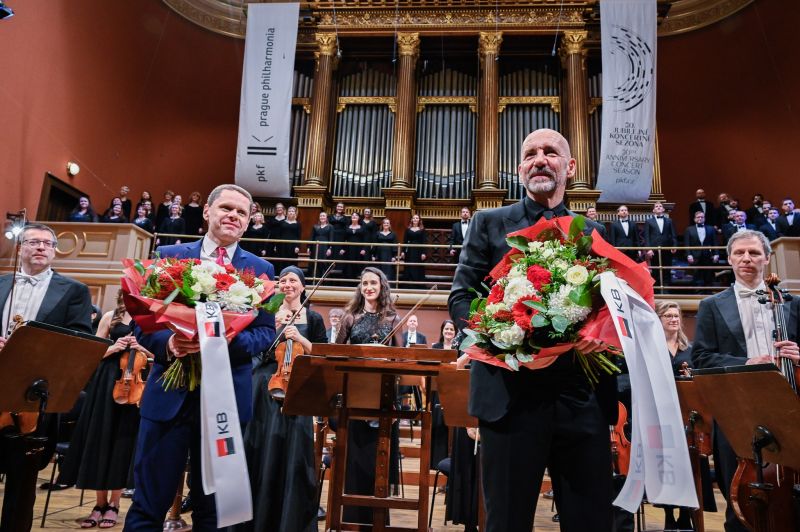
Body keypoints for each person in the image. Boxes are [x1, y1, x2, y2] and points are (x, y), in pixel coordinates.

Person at [448, 128, 615, 532]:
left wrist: (603, 332)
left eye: (551, 153)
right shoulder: (489, 223)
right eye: (530, 154)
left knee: (590, 520)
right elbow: (460, 298)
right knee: (506, 521)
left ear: (570, 167)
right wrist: (498, 335)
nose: (540, 159)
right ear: (520, 168)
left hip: (579, 395)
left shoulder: (595, 232)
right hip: (510, 395)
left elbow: (612, 308)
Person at [123, 184, 277, 530]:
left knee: (214, 512)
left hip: (226, 404)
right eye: (225, 208)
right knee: (148, 503)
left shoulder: (261, 267)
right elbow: (142, 320)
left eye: (241, 212)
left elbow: (265, 333)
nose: (233, 216)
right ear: (207, 211)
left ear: (249, 221)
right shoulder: (171, 254)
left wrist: (219, 342)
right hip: (168, 397)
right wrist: (169, 345)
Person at [692, 229, 800, 532]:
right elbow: (701, 358)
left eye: (754, 253)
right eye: (739, 253)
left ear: (766, 258)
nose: (746, 258)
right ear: (729, 259)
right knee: (739, 497)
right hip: (736, 412)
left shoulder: (792, 303)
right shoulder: (712, 305)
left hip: (788, 406)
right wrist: (747, 362)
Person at [0, 223, 93, 531]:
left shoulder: (74, 291)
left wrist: (31, 348)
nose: (40, 247)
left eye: (47, 244)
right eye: (32, 242)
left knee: (23, 478)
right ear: (20, 248)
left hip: (34, 395)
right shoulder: (1, 283)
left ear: (54, 251)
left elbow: (79, 340)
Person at [236, 266, 326, 532]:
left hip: (298, 390)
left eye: (293, 281)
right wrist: (273, 328)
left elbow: (321, 354)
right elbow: (253, 350)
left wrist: (300, 338)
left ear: (303, 287)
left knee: (293, 451)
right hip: (264, 388)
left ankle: (289, 518)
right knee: (260, 448)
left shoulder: (314, 317)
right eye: (283, 280)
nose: (288, 284)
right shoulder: (267, 312)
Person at [61, 291, 152, 529]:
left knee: (122, 443)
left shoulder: (150, 320)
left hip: (134, 387)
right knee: (100, 438)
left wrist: (140, 345)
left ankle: (114, 504)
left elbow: (159, 355)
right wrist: (114, 346)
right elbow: (92, 353)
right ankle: (98, 504)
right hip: (106, 383)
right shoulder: (110, 317)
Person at [334, 267, 402, 525]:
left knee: (378, 461)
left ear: (382, 286)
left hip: (383, 399)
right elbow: (338, 352)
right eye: (364, 283)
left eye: (373, 283)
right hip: (355, 396)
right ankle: (352, 520)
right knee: (355, 459)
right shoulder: (350, 317)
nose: (368, 287)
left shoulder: (393, 319)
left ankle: (376, 521)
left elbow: (401, 359)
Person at [642, 202, 677, 291]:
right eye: (656, 206)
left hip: (666, 248)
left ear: (663, 209)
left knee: (667, 269)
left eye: (660, 206)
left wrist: (674, 246)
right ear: (653, 210)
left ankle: (666, 290)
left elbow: (673, 234)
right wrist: (649, 249)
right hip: (654, 250)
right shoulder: (649, 221)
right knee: (656, 270)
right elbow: (647, 236)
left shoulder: (669, 221)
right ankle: (656, 290)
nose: (658, 207)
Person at [684, 210, 719, 289]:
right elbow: (687, 244)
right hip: (695, 256)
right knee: (696, 275)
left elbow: (715, 242)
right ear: (694, 219)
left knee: (708, 275)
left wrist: (716, 254)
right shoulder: (689, 229)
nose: (700, 218)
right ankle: (697, 293)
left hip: (708, 255)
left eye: (702, 217)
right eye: (698, 217)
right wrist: (689, 255)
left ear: (704, 218)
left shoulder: (711, 229)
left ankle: (708, 293)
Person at [401, 214, 427, 288]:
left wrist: (423, 253)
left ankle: (418, 285)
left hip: (419, 250)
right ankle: (408, 284)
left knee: (417, 266)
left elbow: (424, 241)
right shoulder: (408, 229)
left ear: (419, 220)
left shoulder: (422, 230)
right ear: (412, 220)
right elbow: (405, 241)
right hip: (410, 250)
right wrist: (403, 251)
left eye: (417, 218)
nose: (415, 219)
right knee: (409, 265)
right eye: (414, 218)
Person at [342, 212, 367, 282]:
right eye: (352, 215)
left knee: (357, 265)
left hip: (359, 249)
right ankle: (348, 282)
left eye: (356, 215)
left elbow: (365, 239)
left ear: (359, 218)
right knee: (348, 265)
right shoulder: (347, 227)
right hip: (348, 249)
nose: (354, 216)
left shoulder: (362, 227)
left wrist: (364, 249)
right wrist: (343, 248)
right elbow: (344, 239)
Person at [309, 211, 334, 279]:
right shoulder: (315, 226)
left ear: (326, 218)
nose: (322, 217)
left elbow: (331, 238)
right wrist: (309, 247)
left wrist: (330, 248)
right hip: (315, 247)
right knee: (315, 263)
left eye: (323, 216)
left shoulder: (330, 227)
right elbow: (312, 237)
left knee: (323, 263)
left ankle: (323, 281)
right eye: (321, 216)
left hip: (325, 246)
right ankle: (314, 279)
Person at [372, 218, 398, 282]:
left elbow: (395, 245)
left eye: (387, 223)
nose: (386, 224)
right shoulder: (377, 233)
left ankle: (389, 284)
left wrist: (394, 256)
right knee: (379, 269)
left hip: (389, 254)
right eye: (384, 223)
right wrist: (373, 255)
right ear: (382, 224)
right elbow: (375, 244)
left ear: (389, 225)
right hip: (379, 254)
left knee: (389, 269)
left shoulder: (393, 234)